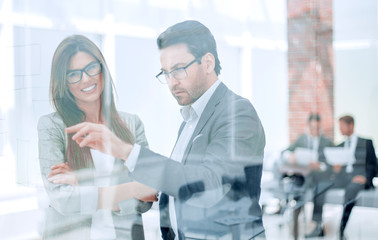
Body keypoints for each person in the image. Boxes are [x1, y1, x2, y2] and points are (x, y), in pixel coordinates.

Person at [65, 20, 266, 240]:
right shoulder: (190, 120)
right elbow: (181, 184)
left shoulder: (237, 113)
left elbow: (208, 183)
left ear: (207, 63)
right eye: (166, 73)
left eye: (178, 70)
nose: (171, 83)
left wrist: (126, 151)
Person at [38, 35, 155, 240]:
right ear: (63, 82)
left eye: (91, 68)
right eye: (73, 74)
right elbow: (62, 200)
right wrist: (130, 189)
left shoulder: (131, 124)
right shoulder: (52, 127)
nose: (85, 79)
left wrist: (83, 188)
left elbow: (147, 196)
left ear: (102, 69)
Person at [306, 115, 377, 239]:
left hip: (358, 178)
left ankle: (341, 228)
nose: (340, 129)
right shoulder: (340, 145)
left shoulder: (366, 142)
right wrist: (333, 168)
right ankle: (317, 227)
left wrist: (366, 177)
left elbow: (373, 165)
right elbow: (329, 161)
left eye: (342, 126)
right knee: (320, 187)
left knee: (350, 191)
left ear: (351, 126)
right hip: (343, 178)